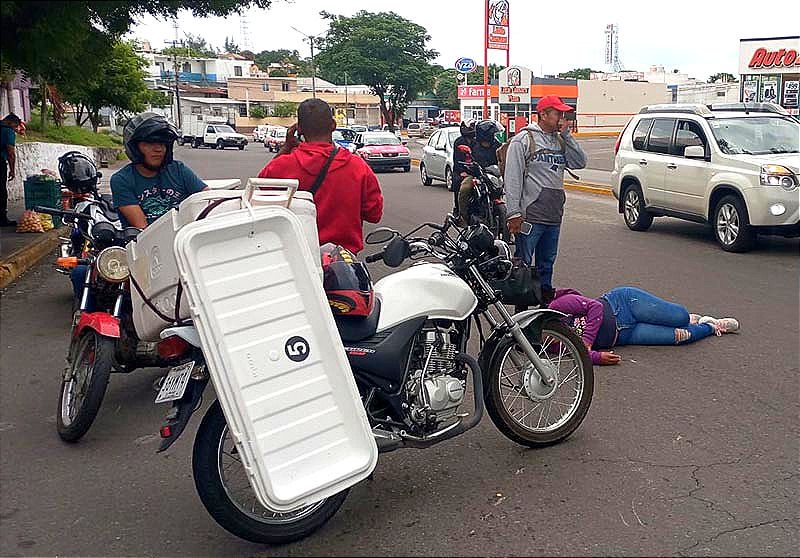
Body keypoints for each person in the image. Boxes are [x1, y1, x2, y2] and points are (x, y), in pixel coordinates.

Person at [257, 98, 383, 254]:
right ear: (333, 126)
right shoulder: (358, 167)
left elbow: (258, 202)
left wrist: (286, 148)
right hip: (342, 265)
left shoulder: (279, 167)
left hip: (297, 263)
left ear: (299, 129)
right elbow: (374, 214)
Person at [504, 95, 587, 305]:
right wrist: (514, 213)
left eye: (563, 113)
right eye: (557, 113)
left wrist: (567, 136)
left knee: (547, 265)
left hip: (553, 215)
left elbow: (580, 163)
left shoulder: (560, 140)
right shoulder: (524, 139)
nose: (562, 117)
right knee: (523, 265)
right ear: (543, 114)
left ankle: (544, 308)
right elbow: (512, 178)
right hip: (530, 217)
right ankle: (521, 313)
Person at [548, 286, 740, 366]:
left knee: (680, 317)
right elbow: (578, 353)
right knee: (681, 337)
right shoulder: (554, 344)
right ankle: (712, 326)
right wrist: (597, 357)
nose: (546, 340)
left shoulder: (557, 307)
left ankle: (690, 318)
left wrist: (587, 341)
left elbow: (595, 307)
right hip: (626, 335)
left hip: (623, 305)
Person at [111, 112, 207, 229]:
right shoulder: (122, 180)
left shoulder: (178, 170)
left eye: (162, 143)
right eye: (150, 143)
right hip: (148, 242)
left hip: (185, 238)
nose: (158, 149)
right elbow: (143, 228)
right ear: (135, 148)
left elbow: (208, 199)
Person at [1, 113, 23, 227]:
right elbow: (11, 153)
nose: (15, 130)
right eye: (15, 127)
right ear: (11, 123)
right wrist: (12, 170)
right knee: (1, 191)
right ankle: (2, 219)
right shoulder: (8, 131)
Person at [451, 119, 476, 217]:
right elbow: (456, 159)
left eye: (473, 126)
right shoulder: (459, 142)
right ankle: (460, 211)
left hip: (476, 170)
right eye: (470, 126)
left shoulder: (477, 141)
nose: (472, 128)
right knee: (458, 183)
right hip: (462, 170)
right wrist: (462, 171)